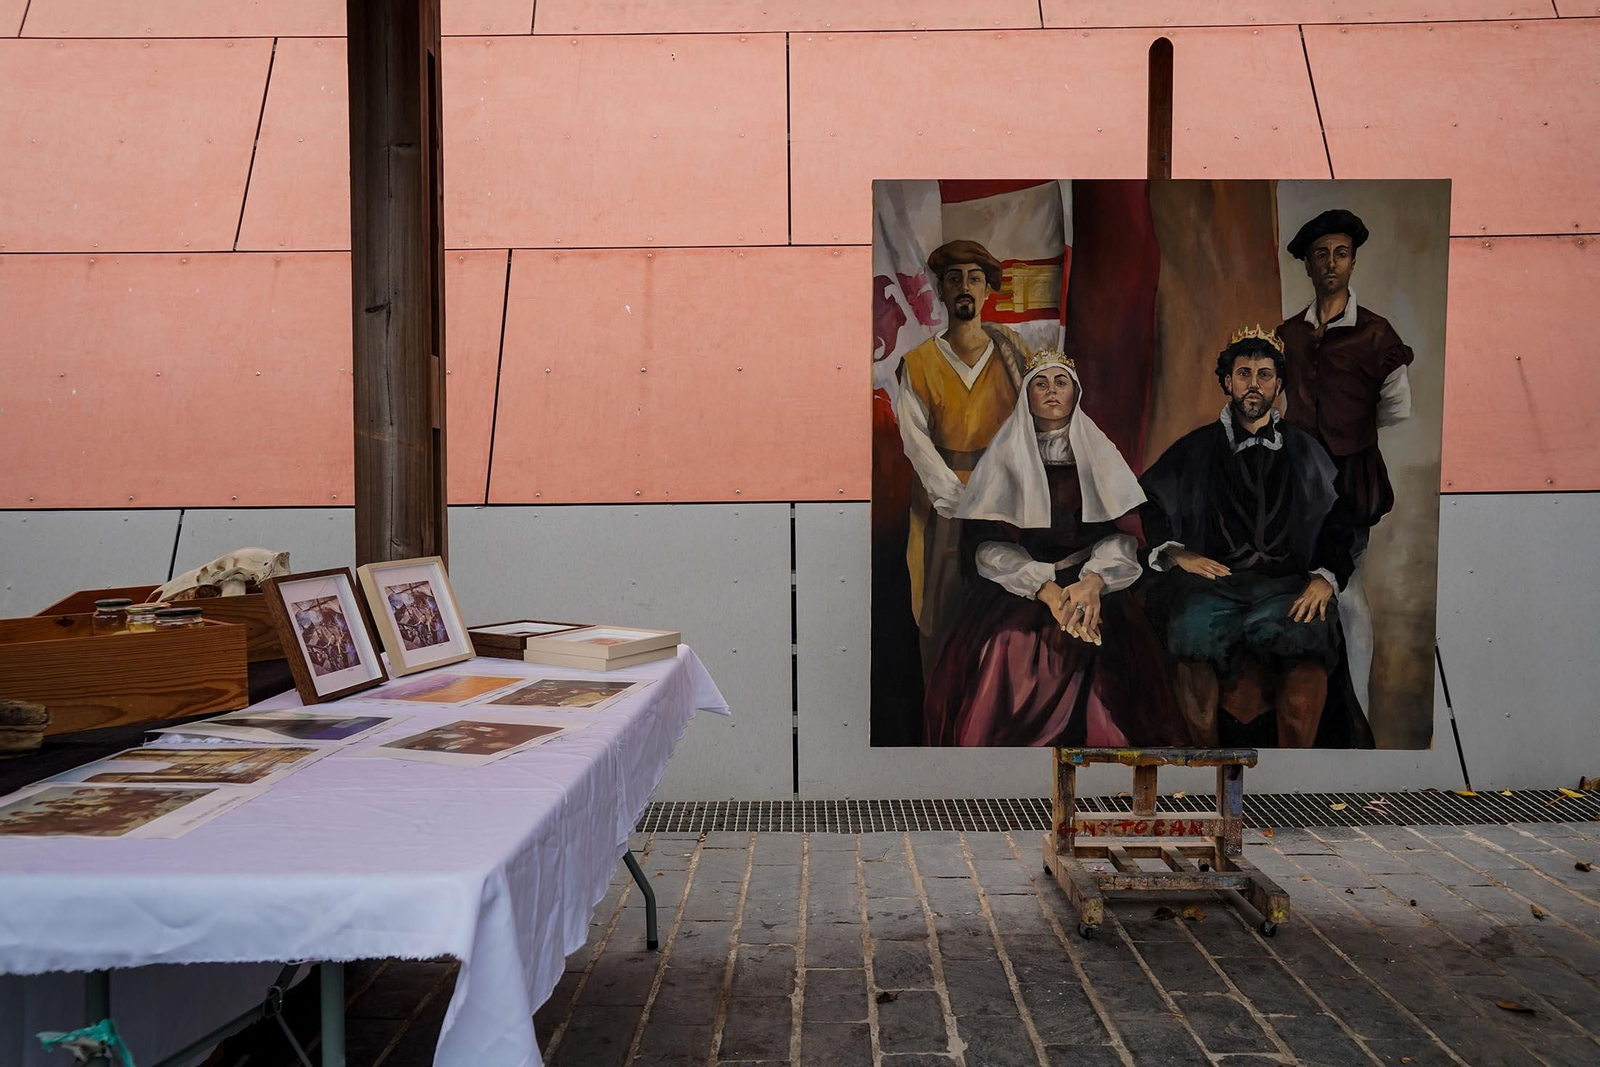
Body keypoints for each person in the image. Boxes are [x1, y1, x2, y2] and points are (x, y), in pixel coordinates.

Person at [924, 351, 1187, 748]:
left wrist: (1094, 583)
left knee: (1110, 657)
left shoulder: (1098, 454)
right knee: (1008, 649)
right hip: (1021, 588)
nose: (1051, 391)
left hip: (1090, 584)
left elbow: (1123, 533)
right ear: (1026, 397)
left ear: (1075, 393)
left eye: (1060, 382)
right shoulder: (1004, 458)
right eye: (1040, 384)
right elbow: (987, 548)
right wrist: (1045, 591)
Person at [1139, 328, 1373, 749]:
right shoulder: (1195, 448)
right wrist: (1176, 552)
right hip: (1216, 585)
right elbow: (1150, 500)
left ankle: (1293, 769)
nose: (1253, 384)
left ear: (1278, 386)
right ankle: (1205, 760)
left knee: (1310, 635)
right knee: (1189, 631)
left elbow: (1341, 519)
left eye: (1264, 375)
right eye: (1243, 374)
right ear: (1227, 382)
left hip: (1286, 586)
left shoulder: (1305, 450)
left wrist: (1325, 577)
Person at [1277, 209, 1415, 714]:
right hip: (1298, 481)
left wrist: (1348, 432)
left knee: (1347, 589)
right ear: (1308, 266)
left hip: (1351, 482)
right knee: (1299, 583)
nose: (1331, 263)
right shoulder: (1288, 334)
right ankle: (1320, 710)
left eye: (1340, 254)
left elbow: (1396, 409)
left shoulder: (1377, 335)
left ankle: (1359, 712)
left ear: (1353, 262)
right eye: (1321, 255)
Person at [897, 239, 1030, 676]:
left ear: (987, 290)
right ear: (941, 289)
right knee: (940, 612)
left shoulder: (1014, 354)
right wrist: (957, 498)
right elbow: (916, 441)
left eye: (974, 278)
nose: (964, 287)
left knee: (1004, 612)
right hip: (942, 507)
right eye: (954, 279)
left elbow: (1035, 424)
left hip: (1007, 502)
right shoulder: (919, 363)